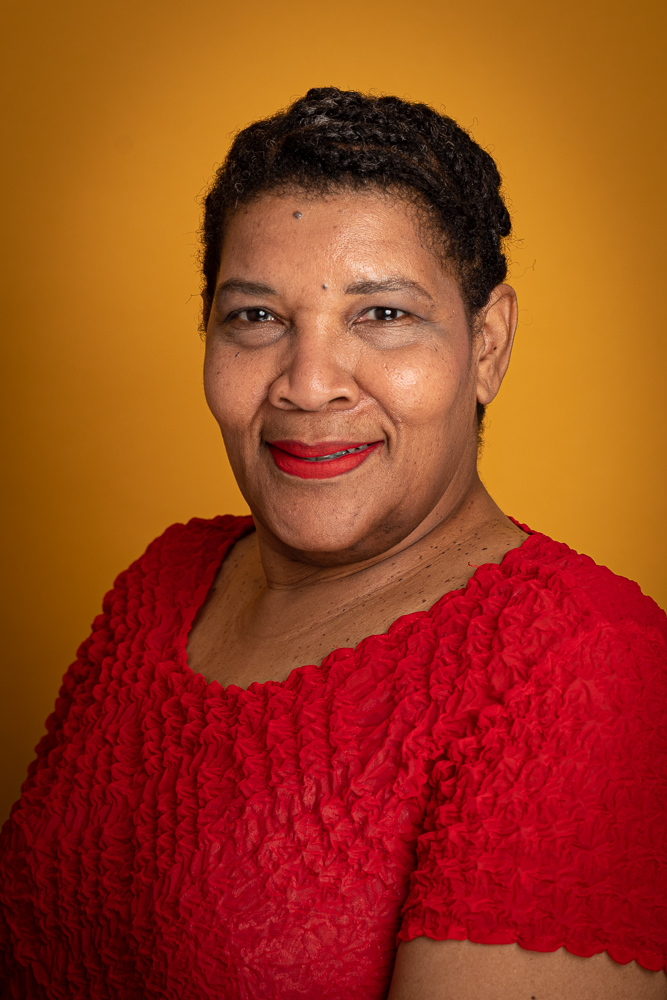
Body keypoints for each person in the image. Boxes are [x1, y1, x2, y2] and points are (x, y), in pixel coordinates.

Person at [0, 87, 665, 1000]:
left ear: (486, 345)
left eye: (382, 315)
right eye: (256, 317)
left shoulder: (584, 665)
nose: (308, 386)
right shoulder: (164, 583)